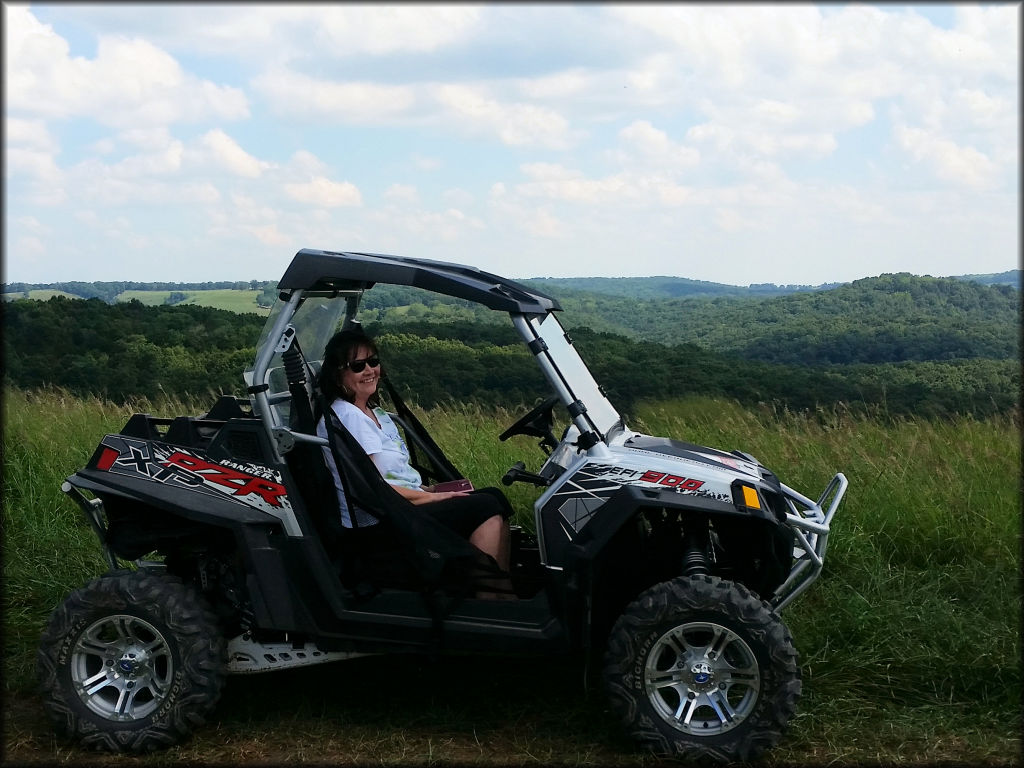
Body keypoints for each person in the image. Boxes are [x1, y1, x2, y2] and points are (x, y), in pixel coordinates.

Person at [316, 328, 515, 599]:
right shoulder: (350, 418)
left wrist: (431, 490)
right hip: (383, 521)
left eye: (373, 361)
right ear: (339, 374)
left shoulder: (372, 413)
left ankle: (503, 593)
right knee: (485, 507)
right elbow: (374, 489)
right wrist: (434, 499)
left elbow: (393, 475)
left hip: (399, 507)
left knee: (493, 497)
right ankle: (487, 601)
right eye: (358, 365)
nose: (370, 370)